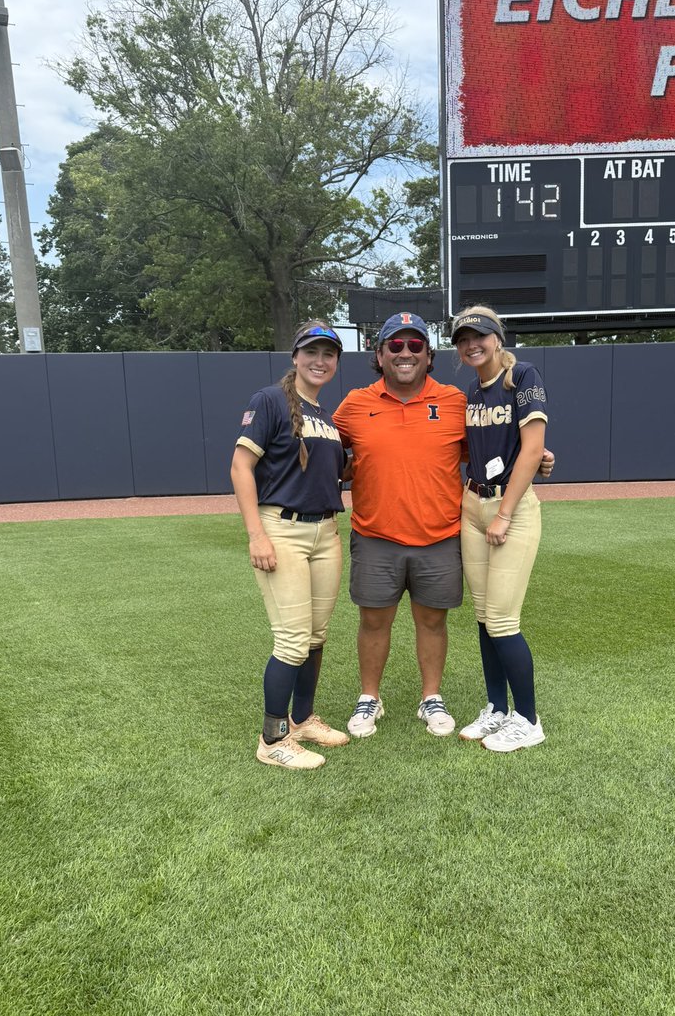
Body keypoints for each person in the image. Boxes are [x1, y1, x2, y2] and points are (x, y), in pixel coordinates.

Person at [333, 313, 467, 738]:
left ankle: (431, 697)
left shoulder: (454, 401)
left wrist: (537, 455)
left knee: (432, 621)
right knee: (374, 621)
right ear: (379, 354)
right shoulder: (355, 403)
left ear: (429, 355)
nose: (405, 353)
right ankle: (369, 698)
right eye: (395, 346)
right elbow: (325, 454)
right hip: (375, 537)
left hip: (439, 536)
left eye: (414, 346)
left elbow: (490, 446)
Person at [230, 321, 349, 770]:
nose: (320, 360)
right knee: (293, 640)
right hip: (280, 529)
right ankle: (273, 738)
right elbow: (241, 468)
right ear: (295, 356)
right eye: (311, 352)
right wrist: (256, 534)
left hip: (325, 533)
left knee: (315, 637)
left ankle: (301, 719)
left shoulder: (325, 415)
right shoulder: (271, 400)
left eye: (329, 353)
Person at [451, 305, 549, 752]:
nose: (472, 344)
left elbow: (533, 449)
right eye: (463, 338)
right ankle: (496, 707)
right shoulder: (471, 392)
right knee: (485, 617)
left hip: (509, 507)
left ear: (497, 337)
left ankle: (528, 720)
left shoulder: (522, 376)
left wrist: (506, 512)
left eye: (480, 335)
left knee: (504, 620)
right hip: (472, 504)